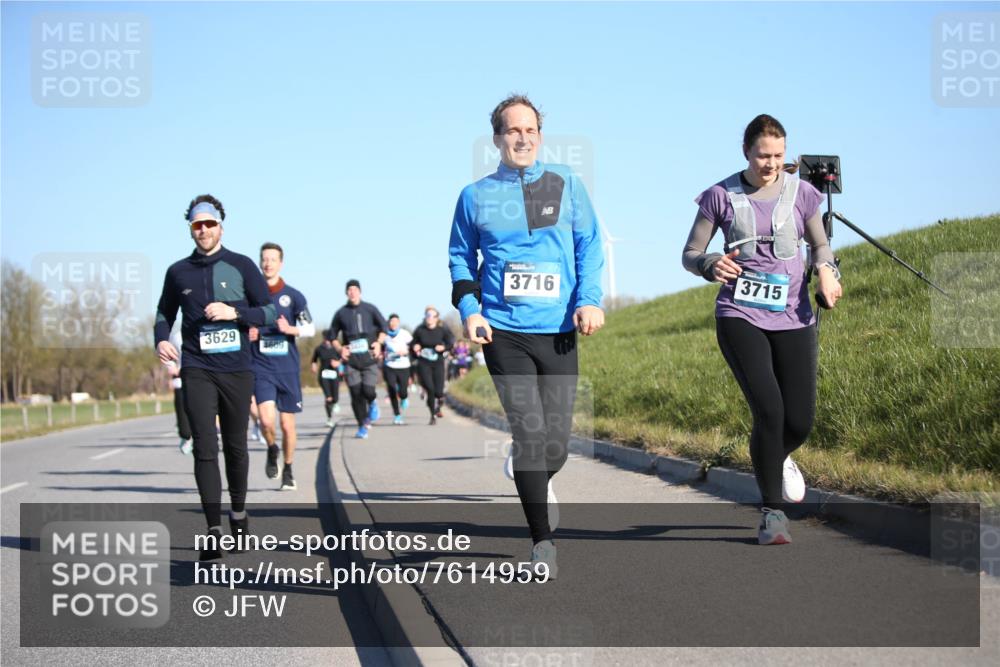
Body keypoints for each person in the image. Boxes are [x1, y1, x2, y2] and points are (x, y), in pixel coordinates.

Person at [448, 94, 605, 578]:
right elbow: (460, 259)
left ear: (540, 135)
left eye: (531, 130)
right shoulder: (474, 196)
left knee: (556, 443)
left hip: (557, 329)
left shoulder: (567, 184)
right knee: (531, 436)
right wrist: (471, 310)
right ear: (497, 138)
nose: (522, 138)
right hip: (504, 332)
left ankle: (529, 473)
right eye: (513, 131)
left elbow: (589, 245)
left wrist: (589, 299)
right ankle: (543, 543)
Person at [682, 114, 843, 545]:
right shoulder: (720, 196)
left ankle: (778, 457)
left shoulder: (803, 193)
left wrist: (826, 271)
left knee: (801, 422)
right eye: (762, 155)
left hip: (795, 316)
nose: (770, 164)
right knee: (769, 412)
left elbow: (820, 244)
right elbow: (690, 251)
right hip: (740, 315)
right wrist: (709, 263)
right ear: (746, 153)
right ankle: (773, 514)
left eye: (778, 155)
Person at [154, 194, 276, 560]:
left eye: (209, 223)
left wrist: (233, 312)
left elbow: (267, 312)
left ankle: (238, 514)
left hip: (237, 369)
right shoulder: (178, 272)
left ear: (220, 226)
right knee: (205, 448)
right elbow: (164, 313)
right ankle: (212, 530)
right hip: (197, 367)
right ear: (190, 228)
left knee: (236, 447)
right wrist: (161, 339)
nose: (203, 229)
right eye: (197, 224)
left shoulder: (241, 266)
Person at [248, 242, 314, 491]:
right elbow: (240, 323)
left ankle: (288, 468)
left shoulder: (293, 296)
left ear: (280, 263)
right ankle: (271, 448)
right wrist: (248, 332)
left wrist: (291, 329)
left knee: (287, 425)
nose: (268, 263)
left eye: (272, 259)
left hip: (287, 369)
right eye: (264, 259)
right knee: (266, 422)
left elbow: (310, 327)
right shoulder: (250, 296)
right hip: (261, 367)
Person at [327, 280, 387, 439]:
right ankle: (362, 425)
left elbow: (384, 328)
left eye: (355, 289)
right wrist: (340, 349)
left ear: (360, 292)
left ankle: (373, 403)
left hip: (369, 358)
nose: (352, 292)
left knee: (368, 391)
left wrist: (379, 343)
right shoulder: (341, 313)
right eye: (349, 290)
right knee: (355, 394)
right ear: (346, 293)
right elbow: (332, 336)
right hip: (351, 360)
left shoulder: (370, 309)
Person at [410, 307, 454, 425]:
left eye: (431, 315)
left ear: (436, 318)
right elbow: (413, 343)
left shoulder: (442, 330)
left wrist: (444, 347)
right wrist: (415, 346)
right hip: (424, 362)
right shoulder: (420, 330)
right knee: (430, 389)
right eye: (427, 315)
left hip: (438, 362)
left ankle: (439, 403)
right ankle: (432, 415)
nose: (429, 317)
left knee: (438, 392)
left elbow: (451, 342)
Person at [382, 314, 413, 425]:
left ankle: (404, 398)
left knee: (403, 391)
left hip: (403, 365)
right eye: (391, 321)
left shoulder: (405, 334)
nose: (393, 323)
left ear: (398, 322)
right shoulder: (384, 334)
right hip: (389, 365)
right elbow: (380, 347)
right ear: (388, 323)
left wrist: (406, 352)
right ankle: (397, 415)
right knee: (391, 389)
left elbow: (413, 346)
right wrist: (382, 354)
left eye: (395, 321)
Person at [167, 328, 192, 454]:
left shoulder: (207, 330)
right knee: (184, 423)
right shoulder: (177, 336)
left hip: (203, 381)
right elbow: (169, 356)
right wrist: (172, 369)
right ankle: (186, 436)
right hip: (181, 381)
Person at [312, 332, 342, 426]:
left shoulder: (336, 349)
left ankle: (335, 403)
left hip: (334, 375)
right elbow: (314, 360)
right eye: (326, 338)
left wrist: (338, 363)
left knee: (335, 398)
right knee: (328, 398)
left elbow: (344, 358)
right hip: (324, 375)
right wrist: (313, 366)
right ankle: (329, 419)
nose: (327, 340)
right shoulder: (319, 349)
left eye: (329, 338)